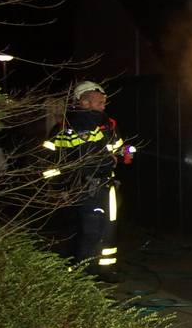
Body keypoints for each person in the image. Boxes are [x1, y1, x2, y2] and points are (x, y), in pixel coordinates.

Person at [42, 80, 132, 281]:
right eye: (98, 101)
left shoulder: (108, 125)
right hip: (81, 187)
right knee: (89, 230)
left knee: (108, 227)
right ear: (83, 102)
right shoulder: (65, 128)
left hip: (106, 185)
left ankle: (104, 269)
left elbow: (117, 146)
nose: (103, 104)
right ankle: (83, 273)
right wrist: (60, 188)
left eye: (103, 101)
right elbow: (50, 162)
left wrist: (125, 153)